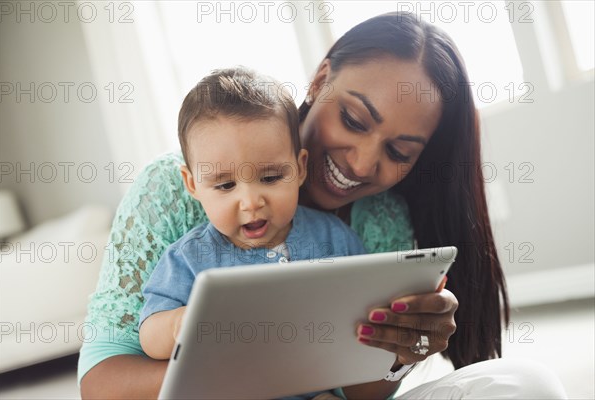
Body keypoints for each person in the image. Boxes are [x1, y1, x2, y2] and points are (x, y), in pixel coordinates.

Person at [79, 12, 567, 399]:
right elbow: (103, 385)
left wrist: (399, 354)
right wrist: (251, 372)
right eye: (354, 119)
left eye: (399, 152)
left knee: (529, 385)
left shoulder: (376, 224)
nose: (361, 162)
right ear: (320, 80)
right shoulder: (175, 200)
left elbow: (361, 392)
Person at [138, 67, 365, 371]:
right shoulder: (189, 258)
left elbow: (367, 302)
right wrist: (180, 324)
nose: (250, 202)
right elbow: (150, 336)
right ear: (192, 185)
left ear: (299, 168)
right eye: (225, 185)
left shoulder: (333, 239)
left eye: (270, 177)